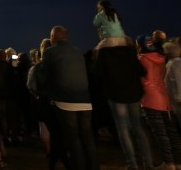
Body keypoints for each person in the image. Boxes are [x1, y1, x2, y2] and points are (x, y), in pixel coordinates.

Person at [35, 26, 98, 170]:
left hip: (66, 100)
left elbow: (44, 77)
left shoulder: (50, 52)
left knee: (73, 139)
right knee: (88, 138)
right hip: (85, 100)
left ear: (54, 37)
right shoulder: (77, 51)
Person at [91, 36, 152, 170]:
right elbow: (142, 71)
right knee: (138, 128)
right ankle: (148, 163)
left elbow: (96, 74)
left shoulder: (104, 53)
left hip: (116, 95)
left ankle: (132, 164)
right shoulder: (129, 52)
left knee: (123, 129)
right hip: (134, 95)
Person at [138, 35, 181, 169]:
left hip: (150, 99)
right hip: (164, 98)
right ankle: (178, 162)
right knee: (171, 132)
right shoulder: (162, 59)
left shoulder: (141, 59)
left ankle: (168, 163)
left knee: (160, 133)